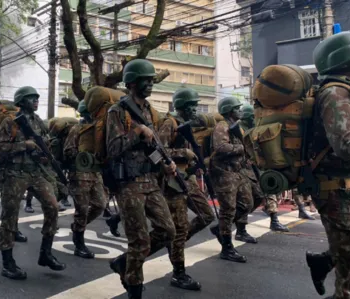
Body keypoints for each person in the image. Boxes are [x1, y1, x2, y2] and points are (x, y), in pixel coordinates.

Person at [107, 59, 176, 299]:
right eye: (145, 80)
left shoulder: (148, 111)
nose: (150, 84)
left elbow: (152, 147)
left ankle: (124, 263)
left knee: (168, 230)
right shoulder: (117, 111)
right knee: (139, 241)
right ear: (132, 82)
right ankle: (134, 289)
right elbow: (113, 148)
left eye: (151, 80)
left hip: (150, 181)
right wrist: (137, 132)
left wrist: (166, 164)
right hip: (128, 184)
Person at [306, 31, 350, 299]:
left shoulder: (345, 92)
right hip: (339, 192)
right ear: (345, 59)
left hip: (348, 190)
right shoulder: (335, 93)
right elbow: (348, 146)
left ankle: (324, 261)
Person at [0, 86, 65, 280]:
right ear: (21, 101)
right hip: (15, 173)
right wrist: (23, 145)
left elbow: (44, 144)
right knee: (10, 215)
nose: (35, 100)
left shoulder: (38, 121)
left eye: (36, 97)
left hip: (36, 172)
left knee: (52, 207)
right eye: (31, 98)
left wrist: (44, 154)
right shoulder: (10, 122)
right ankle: (8, 262)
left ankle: (46, 253)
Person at [158, 87, 217, 290]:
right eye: (190, 105)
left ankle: (176, 243)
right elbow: (159, 152)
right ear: (181, 106)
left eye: (195, 105)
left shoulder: (186, 125)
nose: (194, 109)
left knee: (207, 215)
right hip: (173, 181)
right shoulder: (169, 123)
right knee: (180, 228)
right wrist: (184, 152)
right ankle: (179, 273)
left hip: (188, 178)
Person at [208, 97, 253, 263]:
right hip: (224, 174)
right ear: (228, 110)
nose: (240, 110)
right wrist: (241, 148)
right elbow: (220, 148)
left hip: (237, 172)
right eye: (236, 108)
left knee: (247, 204)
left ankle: (220, 229)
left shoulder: (236, 127)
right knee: (228, 210)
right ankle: (226, 247)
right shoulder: (222, 126)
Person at [63, 100, 107, 259]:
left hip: (95, 173)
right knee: (81, 209)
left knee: (101, 204)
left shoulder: (100, 130)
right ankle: (79, 243)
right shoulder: (77, 129)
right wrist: (83, 155)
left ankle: (77, 227)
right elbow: (68, 150)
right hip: (80, 174)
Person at [238, 104, 289, 233]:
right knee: (247, 198)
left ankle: (273, 218)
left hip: (257, 166)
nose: (254, 118)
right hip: (243, 169)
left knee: (268, 191)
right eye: (252, 116)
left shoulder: (254, 128)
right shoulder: (239, 129)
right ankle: (239, 225)